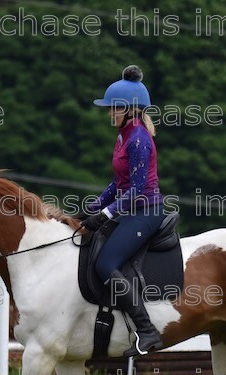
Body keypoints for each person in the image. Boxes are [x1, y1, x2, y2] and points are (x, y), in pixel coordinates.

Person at [81, 65, 166, 357]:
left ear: (130, 110)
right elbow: (119, 182)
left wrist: (104, 214)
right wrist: (93, 207)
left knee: (105, 265)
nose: (109, 113)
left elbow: (137, 190)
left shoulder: (139, 140)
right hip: (132, 208)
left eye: (113, 108)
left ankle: (146, 330)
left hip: (147, 211)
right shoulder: (123, 136)